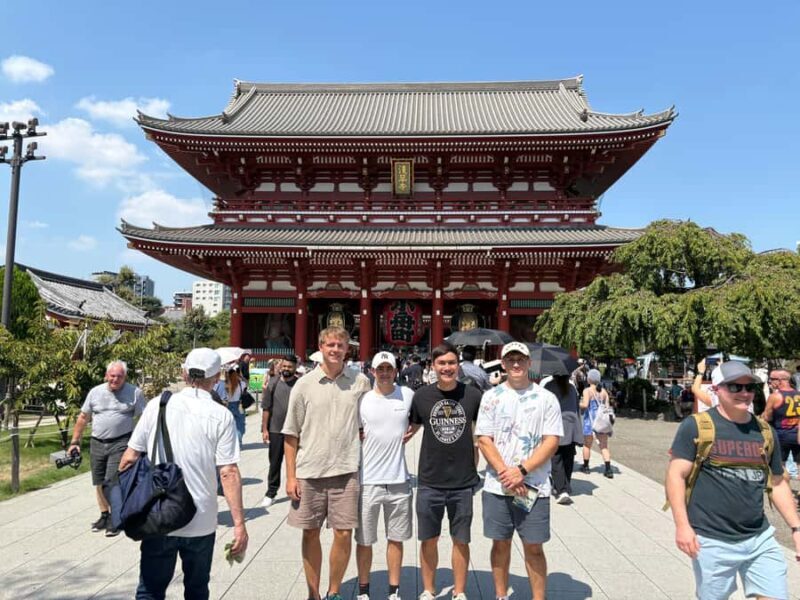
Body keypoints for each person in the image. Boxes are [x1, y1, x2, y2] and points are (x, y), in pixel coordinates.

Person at [119, 348, 248, 599]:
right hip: (201, 516)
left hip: (159, 514)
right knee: (197, 589)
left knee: (150, 590)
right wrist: (239, 525)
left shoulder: (158, 404)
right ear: (216, 379)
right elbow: (228, 472)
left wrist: (125, 500)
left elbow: (129, 458)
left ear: (184, 373)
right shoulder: (221, 415)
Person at [665, 361, 800, 600]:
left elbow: (778, 483)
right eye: (735, 387)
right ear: (716, 389)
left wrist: (796, 528)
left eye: (749, 388)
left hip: (760, 537)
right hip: (712, 539)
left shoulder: (765, 432)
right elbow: (676, 475)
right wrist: (682, 526)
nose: (745, 393)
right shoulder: (696, 427)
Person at [281, 326, 371, 600]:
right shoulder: (304, 384)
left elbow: (368, 423)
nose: (334, 350)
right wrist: (291, 477)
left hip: (346, 470)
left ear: (348, 349)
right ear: (320, 347)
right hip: (310, 470)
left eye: (340, 345)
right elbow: (290, 434)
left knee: (343, 533)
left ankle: (333, 591)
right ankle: (313, 592)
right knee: (310, 532)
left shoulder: (360, 383)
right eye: (329, 345)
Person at [476, 342, 563, 600]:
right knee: (500, 542)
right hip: (498, 485)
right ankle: (501, 595)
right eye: (510, 359)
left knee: (533, 545)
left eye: (521, 359)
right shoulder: (491, 397)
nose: (516, 364)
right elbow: (483, 438)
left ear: (529, 363)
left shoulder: (546, 398)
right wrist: (507, 472)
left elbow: (552, 440)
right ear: (502, 364)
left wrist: (522, 470)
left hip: (532, 485)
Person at [407, 341, 482, 600]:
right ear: (433, 366)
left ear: (458, 366)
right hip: (429, 479)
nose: (447, 368)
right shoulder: (422, 396)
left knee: (461, 540)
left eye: (451, 363)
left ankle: (459, 591)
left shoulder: (472, 396)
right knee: (429, 539)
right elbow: (410, 427)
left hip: (463, 481)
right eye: (441, 363)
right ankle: (429, 589)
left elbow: (486, 432)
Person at [355, 352, 414, 600]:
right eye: (380, 369)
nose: (385, 373)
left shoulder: (408, 395)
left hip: (399, 480)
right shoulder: (362, 399)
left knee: (396, 538)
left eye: (389, 368)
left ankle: (394, 590)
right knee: (365, 540)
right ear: (372, 371)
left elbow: (420, 416)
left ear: (396, 370)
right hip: (368, 480)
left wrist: (415, 430)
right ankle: (364, 590)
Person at [67, 360, 145, 537]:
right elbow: (83, 417)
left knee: (112, 480)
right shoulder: (95, 392)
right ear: (106, 376)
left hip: (121, 442)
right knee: (99, 480)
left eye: (119, 376)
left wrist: (140, 445)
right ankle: (104, 515)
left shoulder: (135, 393)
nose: (115, 379)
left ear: (125, 377)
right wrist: (74, 442)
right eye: (112, 376)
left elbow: (144, 419)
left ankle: (115, 519)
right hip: (97, 442)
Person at [260, 354, 298, 508]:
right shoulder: (273, 383)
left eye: (289, 367)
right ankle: (271, 492)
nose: (286, 369)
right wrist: (264, 429)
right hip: (276, 429)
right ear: (280, 366)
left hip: (295, 430)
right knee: (275, 462)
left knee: (296, 462)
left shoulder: (299, 384)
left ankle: (297, 489)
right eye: (284, 366)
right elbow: (266, 408)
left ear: (295, 368)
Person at [544, 373, 583, 505]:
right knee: (568, 457)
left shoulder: (549, 387)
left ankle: (561, 489)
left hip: (556, 426)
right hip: (572, 426)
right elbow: (577, 407)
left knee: (556, 458)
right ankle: (565, 485)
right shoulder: (572, 388)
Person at [762, 369, 800, 482]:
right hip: (797, 434)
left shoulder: (775, 396)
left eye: (771, 379)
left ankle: (785, 491)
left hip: (781, 435)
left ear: (779, 380)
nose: (770, 382)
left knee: (780, 466)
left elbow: (767, 417)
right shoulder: (798, 394)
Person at [579, 369, 614, 478]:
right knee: (604, 447)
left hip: (590, 422)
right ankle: (608, 469)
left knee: (587, 445)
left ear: (589, 379)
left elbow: (585, 405)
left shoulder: (587, 391)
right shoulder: (604, 391)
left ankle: (586, 467)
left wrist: (578, 403)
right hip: (602, 424)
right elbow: (607, 407)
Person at [215, 364, 246, 444]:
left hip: (228, 405)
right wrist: (240, 376)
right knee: (240, 425)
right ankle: (238, 441)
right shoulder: (241, 384)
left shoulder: (224, 384)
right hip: (240, 405)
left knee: (229, 425)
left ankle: (231, 441)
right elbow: (246, 384)